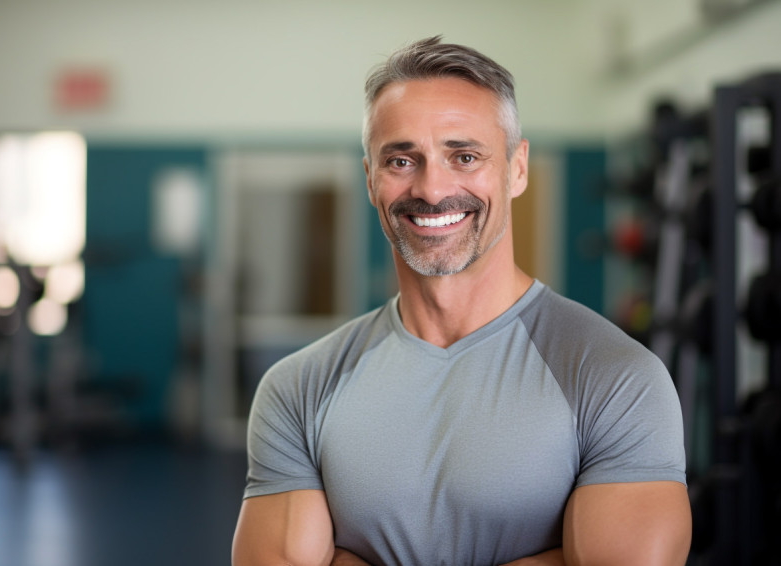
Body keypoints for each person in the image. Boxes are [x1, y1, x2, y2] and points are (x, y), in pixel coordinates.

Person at [232, 36, 691, 566]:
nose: (431, 188)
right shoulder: (299, 388)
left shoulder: (618, 378)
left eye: (465, 156)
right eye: (402, 160)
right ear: (370, 179)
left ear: (517, 168)